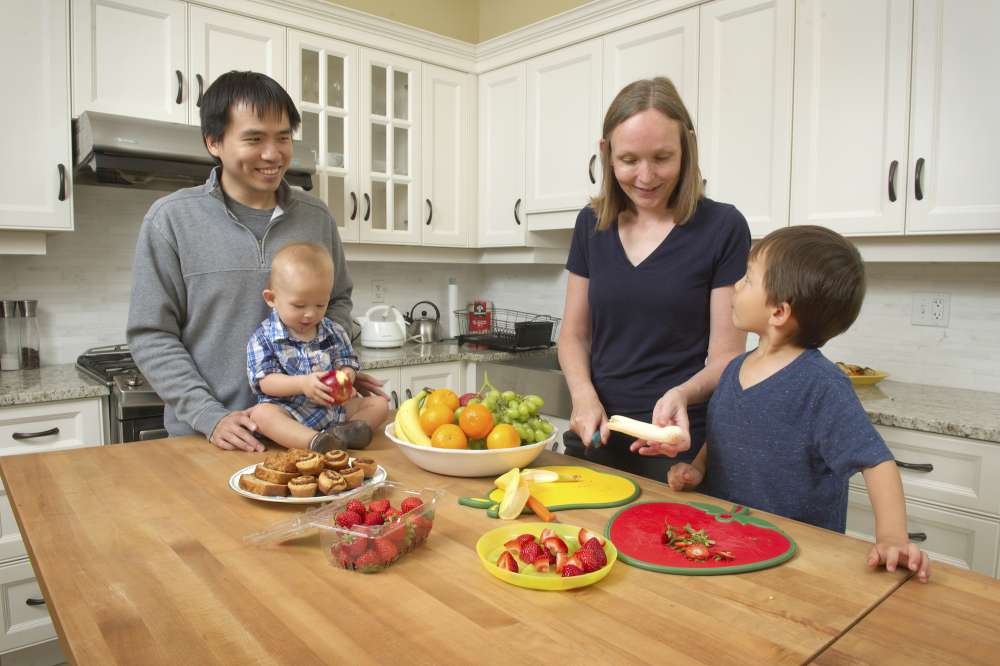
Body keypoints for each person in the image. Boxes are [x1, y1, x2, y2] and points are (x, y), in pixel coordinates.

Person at [127, 70, 386, 452]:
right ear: (214, 141)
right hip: (212, 439)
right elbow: (151, 334)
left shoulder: (316, 217)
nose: (273, 153)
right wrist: (209, 415)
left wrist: (334, 365)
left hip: (316, 430)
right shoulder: (171, 219)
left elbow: (339, 303)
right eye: (254, 139)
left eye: (283, 137)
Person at [665, 225, 930, 582]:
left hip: (799, 561)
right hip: (724, 543)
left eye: (747, 278)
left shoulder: (822, 385)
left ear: (778, 312)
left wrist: (892, 539)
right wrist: (698, 468)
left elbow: (877, 462)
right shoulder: (734, 370)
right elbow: (725, 432)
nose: (736, 285)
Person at [559, 77, 750, 480]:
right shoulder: (591, 224)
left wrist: (681, 394)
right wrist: (583, 397)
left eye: (662, 157)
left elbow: (726, 358)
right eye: (629, 160)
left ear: (688, 149)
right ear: (606, 154)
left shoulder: (723, 227)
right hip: (597, 436)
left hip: (677, 444)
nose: (645, 176)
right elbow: (574, 334)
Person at [246, 243, 388, 451]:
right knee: (261, 414)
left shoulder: (334, 331)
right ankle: (314, 442)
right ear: (272, 299)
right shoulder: (263, 337)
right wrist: (303, 384)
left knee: (379, 404)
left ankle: (345, 435)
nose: (310, 314)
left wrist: (347, 376)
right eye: (299, 305)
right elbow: (265, 382)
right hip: (290, 411)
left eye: (320, 305)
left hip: (334, 411)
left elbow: (346, 362)